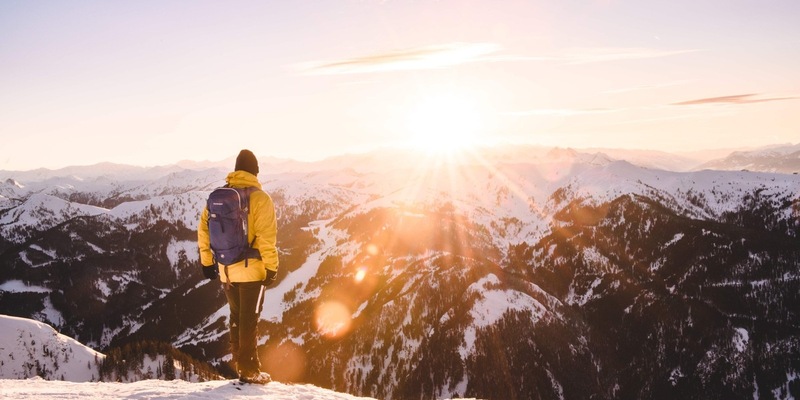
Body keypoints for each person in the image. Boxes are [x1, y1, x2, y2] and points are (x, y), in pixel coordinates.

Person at [198, 149, 279, 384]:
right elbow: (266, 238)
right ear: (255, 171)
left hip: (227, 269)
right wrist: (272, 267)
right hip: (251, 270)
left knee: (236, 317)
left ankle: (241, 365)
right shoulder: (260, 198)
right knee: (249, 319)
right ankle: (250, 369)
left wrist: (207, 262)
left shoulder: (220, 196)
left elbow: (203, 231)